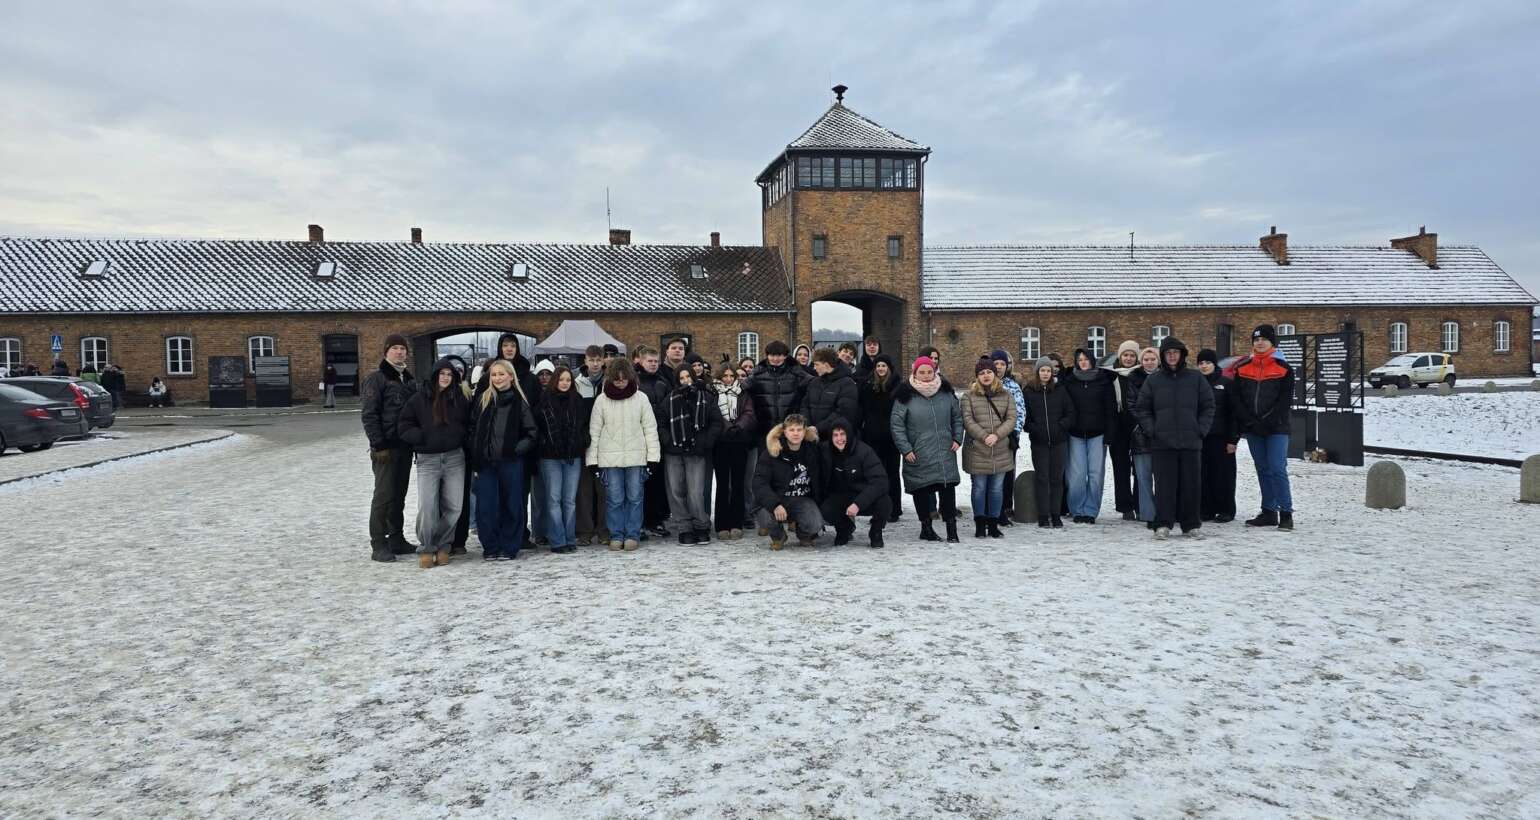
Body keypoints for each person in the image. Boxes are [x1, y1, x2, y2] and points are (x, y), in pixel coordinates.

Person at [1133, 336, 1214, 540]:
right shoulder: (1154, 380)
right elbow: (1142, 408)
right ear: (1163, 356)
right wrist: (1153, 430)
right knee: (1164, 486)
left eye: (1175, 353)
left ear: (1182, 355)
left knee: (1191, 485)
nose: (1172, 356)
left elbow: (1208, 406)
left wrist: (1200, 429)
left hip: (1190, 441)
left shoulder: (1196, 379)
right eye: (1168, 353)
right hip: (1162, 443)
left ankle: (1191, 524)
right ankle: (1163, 523)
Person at [398, 358, 471, 568]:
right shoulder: (419, 399)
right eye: (442, 374)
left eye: (450, 375)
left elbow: (468, 424)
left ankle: (443, 545)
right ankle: (427, 547)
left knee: (455, 506)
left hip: (454, 458)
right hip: (428, 460)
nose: (446, 378)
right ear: (435, 375)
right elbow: (404, 425)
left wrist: (460, 437)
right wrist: (420, 437)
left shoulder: (459, 399)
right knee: (428, 506)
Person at [587, 358, 660, 551]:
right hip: (609, 459)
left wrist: (653, 458)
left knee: (635, 497)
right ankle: (616, 534)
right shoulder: (601, 400)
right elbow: (594, 431)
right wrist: (592, 461)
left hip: (636, 457)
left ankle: (632, 534)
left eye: (624, 379)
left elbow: (650, 429)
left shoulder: (641, 398)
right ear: (611, 379)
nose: (620, 382)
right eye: (617, 379)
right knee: (614, 498)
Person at [469, 359, 538, 561]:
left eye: (501, 374)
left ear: (510, 376)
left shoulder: (519, 402)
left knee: (512, 505)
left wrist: (516, 450)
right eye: (494, 375)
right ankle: (490, 546)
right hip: (486, 463)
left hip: (510, 462)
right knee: (486, 507)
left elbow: (532, 433)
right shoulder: (483, 399)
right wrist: (476, 451)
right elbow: (472, 429)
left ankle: (509, 546)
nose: (497, 378)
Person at [890, 356, 963, 543]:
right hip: (918, 451)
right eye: (921, 372)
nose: (926, 376)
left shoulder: (946, 393)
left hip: (944, 449)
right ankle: (926, 528)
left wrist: (957, 437)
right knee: (922, 489)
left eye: (929, 372)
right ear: (915, 373)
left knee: (947, 488)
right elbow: (897, 425)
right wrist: (906, 449)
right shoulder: (905, 395)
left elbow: (957, 417)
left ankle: (951, 528)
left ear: (934, 371)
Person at [1231, 324, 1297, 531]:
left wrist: (1267, 421)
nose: (1259, 343)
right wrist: (1249, 421)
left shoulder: (1284, 369)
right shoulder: (1242, 368)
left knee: (1277, 468)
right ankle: (1269, 510)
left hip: (1276, 427)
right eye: (1256, 339)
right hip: (1253, 428)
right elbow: (1238, 398)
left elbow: (1284, 401)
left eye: (1264, 339)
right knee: (1262, 469)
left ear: (1272, 343)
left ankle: (1286, 512)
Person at [360, 334, 417, 562]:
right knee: (383, 496)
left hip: (404, 446)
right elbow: (369, 414)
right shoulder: (377, 379)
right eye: (395, 348)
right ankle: (378, 543)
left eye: (403, 349)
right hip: (386, 448)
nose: (400, 352)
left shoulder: (409, 380)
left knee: (399, 496)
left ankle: (396, 538)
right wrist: (378, 444)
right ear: (386, 352)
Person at [745, 341, 811, 533]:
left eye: (779, 355)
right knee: (765, 474)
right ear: (766, 355)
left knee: (790, 473)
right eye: (772, 355)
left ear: (785, 356)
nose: (775, 359)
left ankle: (792, 517)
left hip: (788, 430)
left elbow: (811, 382)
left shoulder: (794, 371)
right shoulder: (759, 372)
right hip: (764, 431)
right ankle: (766, 517)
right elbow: (743, 387)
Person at [658, 366, 724, 544]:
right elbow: (661, 424)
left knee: (695, 491)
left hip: (697, 451)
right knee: (676, 490)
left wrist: (704, 442)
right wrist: (669, 441)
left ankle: (701, 525)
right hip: (675, 451)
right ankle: (684, 527)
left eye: (688, 376)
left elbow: (716, 423)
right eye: (681, 378)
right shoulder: (669, 400)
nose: (686, 380)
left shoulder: (706, 398)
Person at [534, 366, 590, 554]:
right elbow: (538, 428)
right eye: (561, 380)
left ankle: (569, 537)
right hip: (550, 457)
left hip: (572, 456)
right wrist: (544, 443)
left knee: (569, 500)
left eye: (568, 380)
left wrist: (582, 442)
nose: (564, 383)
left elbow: (584, 427)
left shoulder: (578, 401)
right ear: (554, 381)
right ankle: (557, 540)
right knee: (553, 499)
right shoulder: (544, 402)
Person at [960, 357, 1018, 538]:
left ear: (995, 374)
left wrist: (997, 435)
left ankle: (993, 523)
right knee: (979, 488)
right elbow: (967, 420)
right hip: (977, 449)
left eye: (989, 372)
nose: (986, 376)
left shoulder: (1006, 395)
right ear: (977, 376)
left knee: (996, 489)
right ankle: (980, 522)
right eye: (982, 373)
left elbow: (1011, 418)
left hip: (1000, 449)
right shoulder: (968, 396)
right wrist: (984, 436)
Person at [1062, 348, 1118, 524]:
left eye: (1086, 359)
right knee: (1077, 475)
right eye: (1080, 360)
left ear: (1092, 361)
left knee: (1095, 475)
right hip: (1075, 434)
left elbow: (1111, 410)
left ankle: (1091, 510)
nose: (1083, 362)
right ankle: (1077, 510)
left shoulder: (1103, 380)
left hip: (1097, 434)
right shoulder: (1069, 381)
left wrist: (1110, 434)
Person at [753, 414, 824, 550]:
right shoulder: (772, 452)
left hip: (802, 499)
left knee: (814, 523)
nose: (795, 433)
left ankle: (804, 534)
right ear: (784, 432)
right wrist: (775, 504)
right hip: (777, 497)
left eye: (799, 430)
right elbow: (759, 483)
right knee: (764, 516)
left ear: (805, 431)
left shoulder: (813, 451)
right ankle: (778, 536)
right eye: (791, 430)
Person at [819, 418, 890, 548]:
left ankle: (876, 531)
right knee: (826, 509)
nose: (839, 439)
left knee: (885, 502)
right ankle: (843, 529)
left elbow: (880, 481)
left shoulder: (864, 451)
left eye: (843, 434)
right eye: (835, 435)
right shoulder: (824, 451)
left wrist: (858, 504)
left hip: (863, 495)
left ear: (849, 434)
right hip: (840, 496)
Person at [1022, 357, 1075, 528]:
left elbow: (1070, 413)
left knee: (1056, 479)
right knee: (1042, 478)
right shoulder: (1029, 391)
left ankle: (1056, 513)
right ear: (1037, 372)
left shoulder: (1060, 390)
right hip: (1039, 442)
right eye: (1042, 370)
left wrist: (1061, 427)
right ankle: (1043, 515)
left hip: (1059, 441)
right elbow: (1025, 418)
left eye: (1048, 371)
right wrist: (1035, 429)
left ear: (1052, 373)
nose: (1045, 373)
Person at [712, 367, 756, 540]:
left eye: (732, 375)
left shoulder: (742, 392)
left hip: (739, 441)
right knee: (723, 485)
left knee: (738, 483)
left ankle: (736, 522)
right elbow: (713, 413)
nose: (729, 379)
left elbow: (749, 413)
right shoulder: (713, 392)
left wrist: (738, 427)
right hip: (720, 442)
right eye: (725, 375)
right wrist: (727, 427)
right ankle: (722, 523)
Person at [1194, 349, 1238, 523]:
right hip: (1201, 437)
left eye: (1207, 363)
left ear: (1214, 364)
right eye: (1201, 363)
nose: (1204, 366)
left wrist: (1233, 439)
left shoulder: (1226, 383)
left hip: (1222, 437)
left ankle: (1226, 509)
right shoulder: (1196, 384)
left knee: (1223, 475)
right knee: (1203, 475)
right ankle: (1206, 509)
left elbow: (1234, 414)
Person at [858, 355, 904, 522]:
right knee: (876, 475)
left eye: (884, 365)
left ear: (889, 368)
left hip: (891, 438)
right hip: (873, 436)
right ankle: (878, 508)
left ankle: (894, 509)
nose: (881, 369)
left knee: (892, 473)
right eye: (878, 366)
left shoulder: (897, 387)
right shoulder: (868, 386)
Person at [632, 345, 671, 538]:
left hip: (658, 437)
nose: (653, 364)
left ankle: (656, 520)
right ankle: (638, 521)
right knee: (639, 482)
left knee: (657, 482)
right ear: (640, 361)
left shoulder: (663, 382)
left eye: (656, 361)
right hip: (638, 437)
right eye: (650, 361)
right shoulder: (634, 382)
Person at [573, 345, 608, 545]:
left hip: (605, 443)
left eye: (598, 360)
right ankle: (584, 530)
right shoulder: (577, 383)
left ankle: (604, 529)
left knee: (604, 489)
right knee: (583, 490)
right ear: (585, 361)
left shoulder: (609, 382)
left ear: (603, 361)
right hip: (584, 444)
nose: (595, 364)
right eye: (591, 360)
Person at [991, 350, 1025, 527]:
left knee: (1007, 474)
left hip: (1008, 437)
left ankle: (1005, 507)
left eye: (1002, 364)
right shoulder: (983, 384)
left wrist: (1015, 433)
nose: (999, 367)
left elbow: (1020, 412)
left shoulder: (1013, 386)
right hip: (987, 438)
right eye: (996, 364)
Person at [1108, 340, 1142, 519]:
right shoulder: (1112, 376)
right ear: (1120, 357)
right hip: (1118, 427)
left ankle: (1140, 503)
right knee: (1120, 468)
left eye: (1132, 355)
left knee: (1140, 468)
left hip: (1138, 426)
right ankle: (1125, 506)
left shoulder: (1141, 375)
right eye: (1125, 355)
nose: (1128, 358)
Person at [1127, 347, 1160, 527]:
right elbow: (1132, 405)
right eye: (1146, 359)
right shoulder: (1134, 379)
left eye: (1152, 358)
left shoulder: (1165, 377)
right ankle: (1148, 513)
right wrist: (1147, 425)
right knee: (1143, 476)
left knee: (1163, 477)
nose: (1149, 362)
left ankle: (1164, 511)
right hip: (1141, 433)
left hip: (1164, 433)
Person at [801, 347, 860, 438]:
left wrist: (818, 428)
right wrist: (808, 426)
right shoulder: (814, 382)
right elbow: (804, 405)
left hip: (835, 439)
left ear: (826, 364)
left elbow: (844, 412)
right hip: (811, 436)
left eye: (817, 364)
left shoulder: (847, 383)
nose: (814, 368)